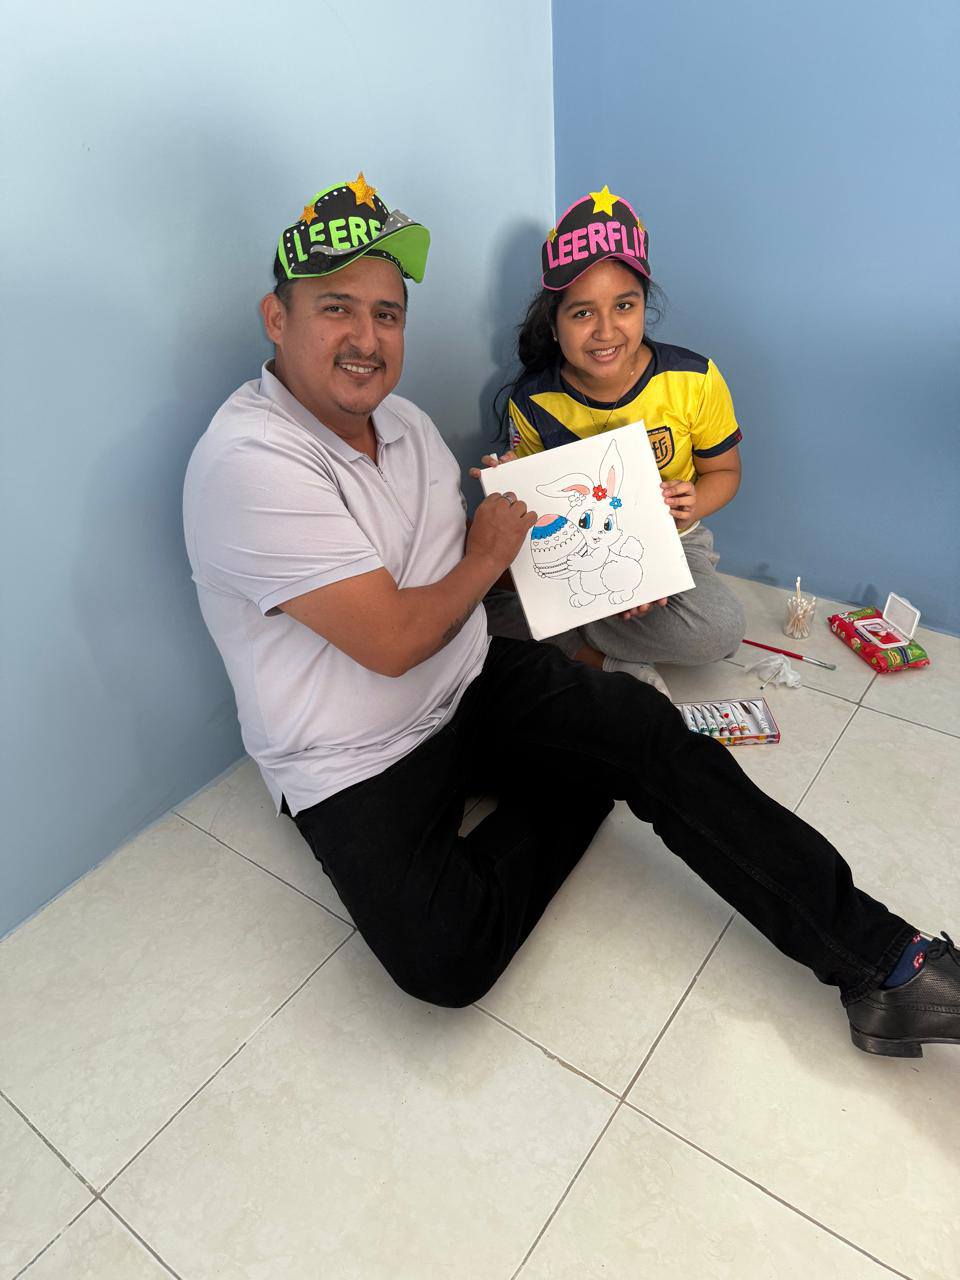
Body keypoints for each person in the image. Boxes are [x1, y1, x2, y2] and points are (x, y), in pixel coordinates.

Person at [183, 173, 960, 1060]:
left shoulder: (406, 427)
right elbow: (396, 639)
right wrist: (489, 551)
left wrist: (590, 551)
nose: (366, 338)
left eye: (387, 314)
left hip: (470, 680)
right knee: (447, 962)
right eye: (336, 309)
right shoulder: (250, 463)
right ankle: (585, 776)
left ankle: (890, 965)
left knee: (648, 731)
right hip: (356, 759)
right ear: (276, 318)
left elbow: (469, 566)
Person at [479, 186, 746, 696]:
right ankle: (600, 651)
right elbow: (538, 516)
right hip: (579, 546)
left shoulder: (694, 378)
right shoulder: (534, 401)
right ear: (554, 325)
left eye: (624, 305)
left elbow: (725, 471)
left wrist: (693, 503)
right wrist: (509, 480)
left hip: (675, 540)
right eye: (582, 313)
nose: (605, 331)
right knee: (489, 599)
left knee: (721, 630)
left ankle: (570, 631)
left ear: (645, 306)